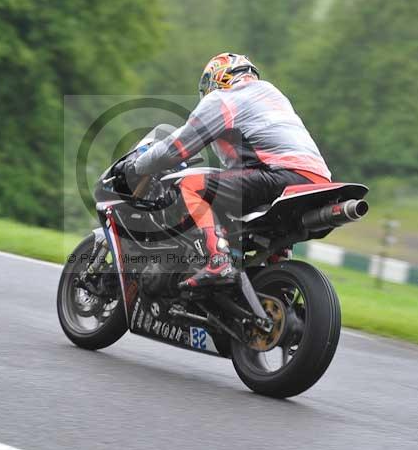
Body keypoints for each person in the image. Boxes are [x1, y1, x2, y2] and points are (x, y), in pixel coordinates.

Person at [119, 52, 331, 289]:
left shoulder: (224, 98)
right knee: (254, 223)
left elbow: (176, 149)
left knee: (191, 186)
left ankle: (217, 260)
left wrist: (137, 165)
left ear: (216, 78)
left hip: (279, 175)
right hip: (318, 180)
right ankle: (276, 279)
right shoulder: (272, 95)